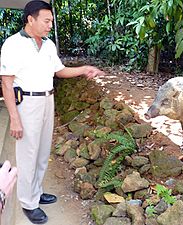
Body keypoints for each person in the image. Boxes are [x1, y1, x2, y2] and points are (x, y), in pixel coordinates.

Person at [0, 0, 105, 224]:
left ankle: (36, 192)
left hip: (48, 100)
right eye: (46, 20)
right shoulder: (13, 44)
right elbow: (6, 84)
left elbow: (60, 71)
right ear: (30, 19)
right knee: (28, 154)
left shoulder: (47, 45)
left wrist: (84, 70)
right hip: (26, 103)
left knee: (41, 152)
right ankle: (28, 203)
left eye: (51, 21)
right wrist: (15, 119)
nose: (50, 25)